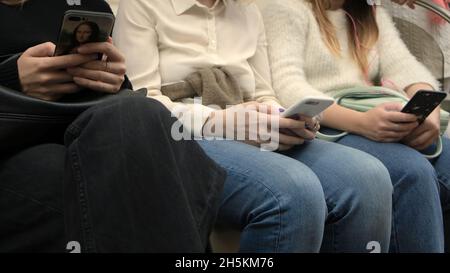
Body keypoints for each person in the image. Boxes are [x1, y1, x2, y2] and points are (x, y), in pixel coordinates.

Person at [114, 0, 394, 253]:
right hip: (183, 133)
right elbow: (142, 105)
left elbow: (263, 92)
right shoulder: (141, 5)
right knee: (294, 190)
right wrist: (218, 121)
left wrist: (283, 118)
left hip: (253, 125)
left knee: (370, 178)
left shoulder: (246, 9)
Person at [0, 0, 226, 252]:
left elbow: (119, 99)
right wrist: (13, 79)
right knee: (76, 174)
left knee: (139, 117)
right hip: (15, 143)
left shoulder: (90, 5)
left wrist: (114, 78)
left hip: (93, 128)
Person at [261, 0, 450, 252]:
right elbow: (287, 87)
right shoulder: (285, 7)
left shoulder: (367, 11)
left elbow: (407, 68)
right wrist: (361, 122)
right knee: (410, 172)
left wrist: (428, 113)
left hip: (369, 117)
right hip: (324, 124)